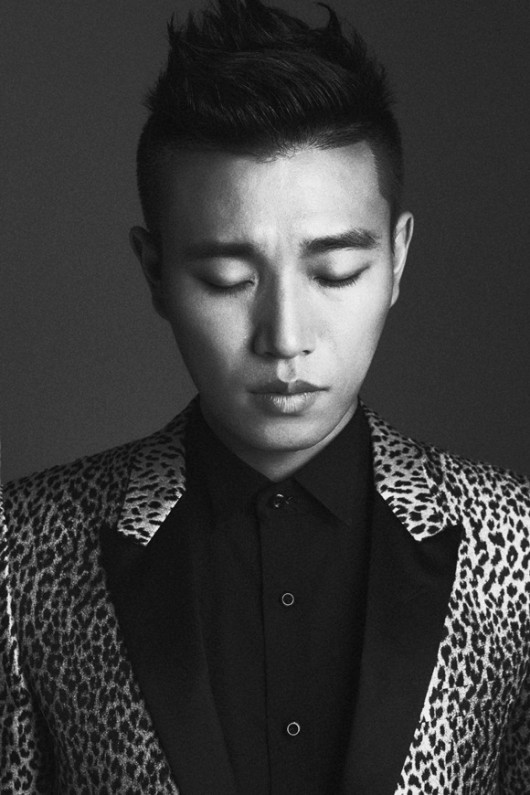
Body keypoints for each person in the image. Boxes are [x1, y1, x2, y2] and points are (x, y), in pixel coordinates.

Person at [2, 0, 529, 792]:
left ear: (398, 259)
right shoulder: (23, 551)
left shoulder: (518, 544)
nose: (285, 336)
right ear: (155, 273)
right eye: (227, 278)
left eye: (334, 272)